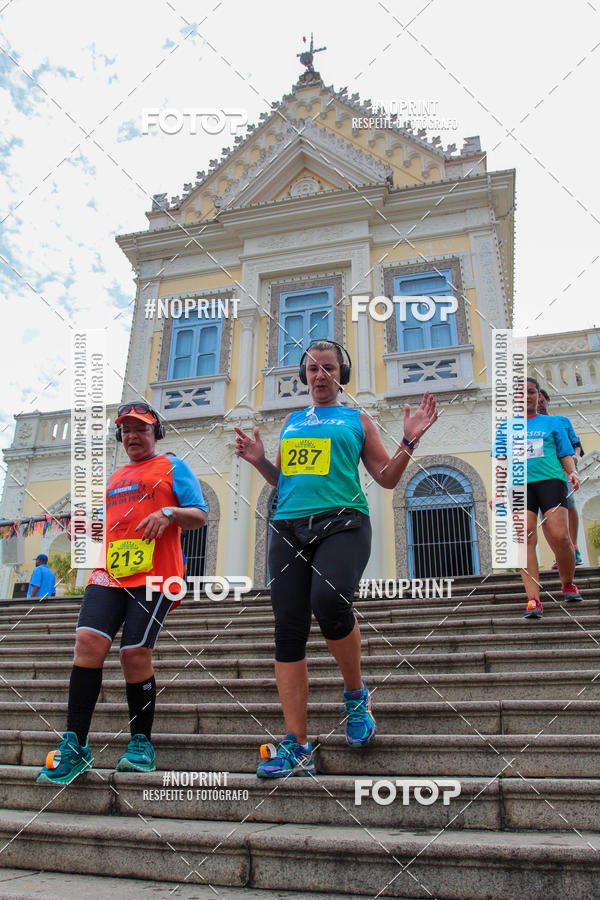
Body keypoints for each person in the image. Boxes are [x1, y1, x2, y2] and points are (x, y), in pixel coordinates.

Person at [234, 339, 438, 777]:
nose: (319, 375)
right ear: (304, 376)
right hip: (288, 526)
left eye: (327, 367)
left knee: (329, 604)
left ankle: (355, 694)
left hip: (343, 522)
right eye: (311, 369)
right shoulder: (292, 420)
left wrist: (409, 440)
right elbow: (286, 480)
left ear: (340, 374)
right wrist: (259, 462)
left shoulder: (356, 419)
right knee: (288, 630)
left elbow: (385, 477)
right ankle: (298, 745)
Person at [37, 402, 208, 784]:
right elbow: (111, 526)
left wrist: (168, 514)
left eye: (141, 429)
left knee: (134, 652)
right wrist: (91, 529)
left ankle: (141, 743)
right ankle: (75, 745)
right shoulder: (115, 478)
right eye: (126, 430)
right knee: (86, 643)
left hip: (157, 576)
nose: (132, 435)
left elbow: (199, 513)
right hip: (110, 573)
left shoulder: (172, 467)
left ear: (155, 433)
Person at [493, 377, 581, 619]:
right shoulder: (505, 428)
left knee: (560, 536)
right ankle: (533, 600)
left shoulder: (553, 423)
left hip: (551, 482)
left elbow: (565, 454)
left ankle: (568, 583)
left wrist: (572, 472)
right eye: (521, 393)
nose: (526, 396)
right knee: (525, 537)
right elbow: (501, 461)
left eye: (531, 392)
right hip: (520, 485)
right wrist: (498, 490)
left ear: (538, 396)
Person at [538, 388, 584, 566]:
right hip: (541, 473)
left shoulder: (561, 421)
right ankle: (559, 554)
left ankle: (574, 546)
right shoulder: (529, 424)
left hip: (562, 471)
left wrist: (574, 457)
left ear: (547, 401)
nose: (540, 404)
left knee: (569, 505)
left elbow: (576, 445)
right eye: (537, 401)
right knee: (545, 516)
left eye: (542, 401)